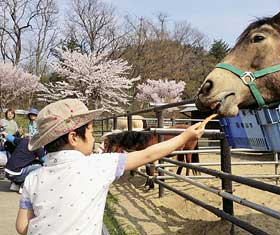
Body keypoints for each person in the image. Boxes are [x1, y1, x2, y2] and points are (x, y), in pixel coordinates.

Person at [16, 98, 204, 235]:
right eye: (90, 131)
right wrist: (184, 137)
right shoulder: (99, 165)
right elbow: (149, 154)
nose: (92, 136)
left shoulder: (33, 178)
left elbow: (21, 227)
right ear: (74, 137)